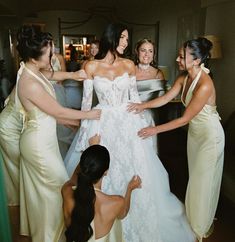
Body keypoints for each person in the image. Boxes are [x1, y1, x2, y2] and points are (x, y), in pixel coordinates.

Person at [64, 23, 195, 242]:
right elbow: (86, 106)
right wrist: (86, 138)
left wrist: (141, 123)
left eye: (126, 38)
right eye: (123, 38)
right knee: (103, 168)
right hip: (102, 121)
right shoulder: (91, 66)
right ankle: (101, 224)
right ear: (112, 38)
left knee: (135, 167)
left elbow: (134, 98)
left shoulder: (128, 65)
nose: (126, 42)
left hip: (127, 121)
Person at [128, 37, 225, 241]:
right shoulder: (183, 77)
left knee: (203, 183)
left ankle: (199, 230)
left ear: (197, 60)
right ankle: (194, 220)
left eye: (182, 56)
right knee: (194, 180)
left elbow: (184, 119)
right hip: (195, 135)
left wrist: (154, 130)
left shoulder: (205, 84)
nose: (177, 59)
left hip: (210, 137)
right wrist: (142, 106)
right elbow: (164, 98)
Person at [16, 25, 101, 242]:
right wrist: (89, 114)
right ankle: (51, 236)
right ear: (35, 58)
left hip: (44, 138)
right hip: (37, 144)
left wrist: (74, 74)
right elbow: (57, 110)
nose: (52, 56)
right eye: (48, 53)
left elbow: (52, 75)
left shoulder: (33, 70)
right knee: (59, 187)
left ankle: (48, 233)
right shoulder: (28, 82)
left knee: (48, 192)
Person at [62, 134, 141, 242]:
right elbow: (123, 213)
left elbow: (73, 180)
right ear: (106, 172)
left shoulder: (66, 191)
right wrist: (130, 189)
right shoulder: (117, 202)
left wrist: (91, 151)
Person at [134, 38, 165, 152]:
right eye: (143, 50)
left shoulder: (158, 73)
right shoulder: (129, 70)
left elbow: (162, 99)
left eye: (150, 51)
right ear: (137, 52)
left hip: (149, 116)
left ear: (154, 54)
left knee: (147, 149)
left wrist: (145, 106)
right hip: (130, 113)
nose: (147, 54)